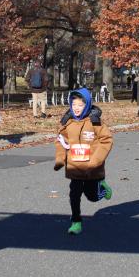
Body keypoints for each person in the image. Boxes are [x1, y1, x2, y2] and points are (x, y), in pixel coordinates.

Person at [54, 88, 113, 235]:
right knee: (74, 195)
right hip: (74, 167)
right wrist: (60, 159)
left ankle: (102, 187)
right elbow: (61, 140)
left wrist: (95, 162)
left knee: (92, 197)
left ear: (86, 105)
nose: (76, 108)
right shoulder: (67, 122)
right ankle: (76, 222)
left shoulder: (95, 121)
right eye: (74, 104)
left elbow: (106, 140)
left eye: (80, 105)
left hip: (92, 168)